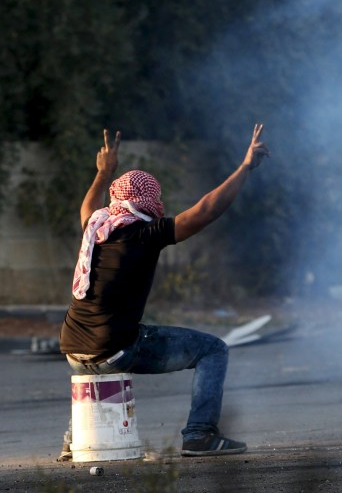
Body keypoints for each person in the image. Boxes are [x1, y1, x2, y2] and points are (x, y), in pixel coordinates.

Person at [59, 124, 270, 457]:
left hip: (72, 351)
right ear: (148, 201)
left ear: (115, 198)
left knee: (117, 343)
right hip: (114, 350)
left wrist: (104, 172)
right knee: (213, 349)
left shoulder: (96, 228)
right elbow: (206, 210)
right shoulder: (145, 233)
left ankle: (78, 440)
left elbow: (87, 207)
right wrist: (245, 168)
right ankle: (200, 434)